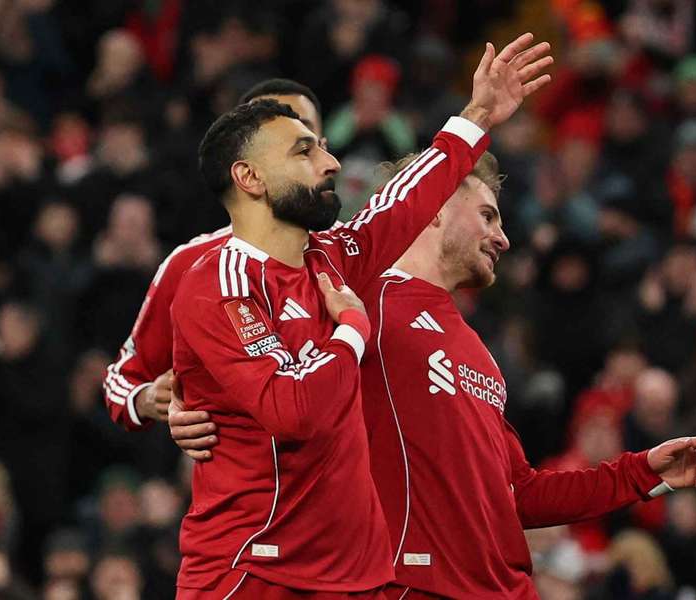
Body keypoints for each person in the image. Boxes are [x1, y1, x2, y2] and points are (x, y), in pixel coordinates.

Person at [173, 143, 696, 600]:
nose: (503, 237)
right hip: (414, 586)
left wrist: (643, 474)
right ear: (432, 206)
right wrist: (175, 401)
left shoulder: (479, 350)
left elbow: (518, 493)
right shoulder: (352, 297)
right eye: (487, 215)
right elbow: (249, 338)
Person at [170, 34, 553, 598]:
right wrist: (350, 330)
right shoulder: (217, 281)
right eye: (304, 152)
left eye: (323, 147)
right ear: (248, 178)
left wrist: (476, 116)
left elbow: (401, 203)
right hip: (253, 573)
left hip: (347, 578)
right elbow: (294, 409)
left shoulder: (332, 259)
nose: (330, 163)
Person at [103, 78, 326, 432]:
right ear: (242, 158)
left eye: (304, 139)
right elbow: (124, 376)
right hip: (240, 480)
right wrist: (147, 398)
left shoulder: (363, 251)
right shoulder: (191, 263)